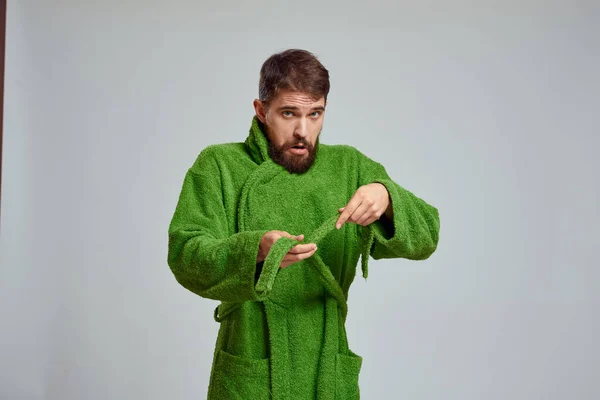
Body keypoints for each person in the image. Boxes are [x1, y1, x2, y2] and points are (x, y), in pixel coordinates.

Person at [167, 48, 440, 400]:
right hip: (251, 362)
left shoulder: (348, 167)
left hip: (326, 367)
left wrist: (387, 199)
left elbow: (428, 235)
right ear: (261, 110)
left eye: (315, 114)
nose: (302, 130)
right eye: (289, 113)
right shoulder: (219, 165)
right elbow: (185, 255)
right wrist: (255, 251)